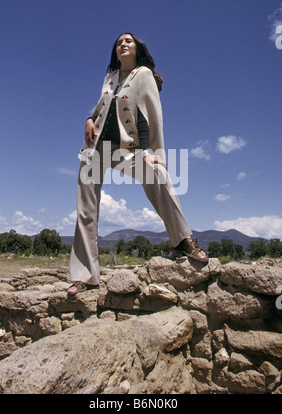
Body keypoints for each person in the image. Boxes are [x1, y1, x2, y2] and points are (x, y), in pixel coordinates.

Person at [67, 33, 208, 296]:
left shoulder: (143, 74)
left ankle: (182, 239)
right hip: (96, 149)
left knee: (158, 174)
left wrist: (148, 151)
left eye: (128, 41)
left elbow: (146, 115)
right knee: (85, 210)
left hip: (126, 147)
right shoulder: (109, 78)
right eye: (119, 42)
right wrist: (89, 118)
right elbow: (101, 108)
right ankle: (84, 275)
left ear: (137, 48)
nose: (122, 44)